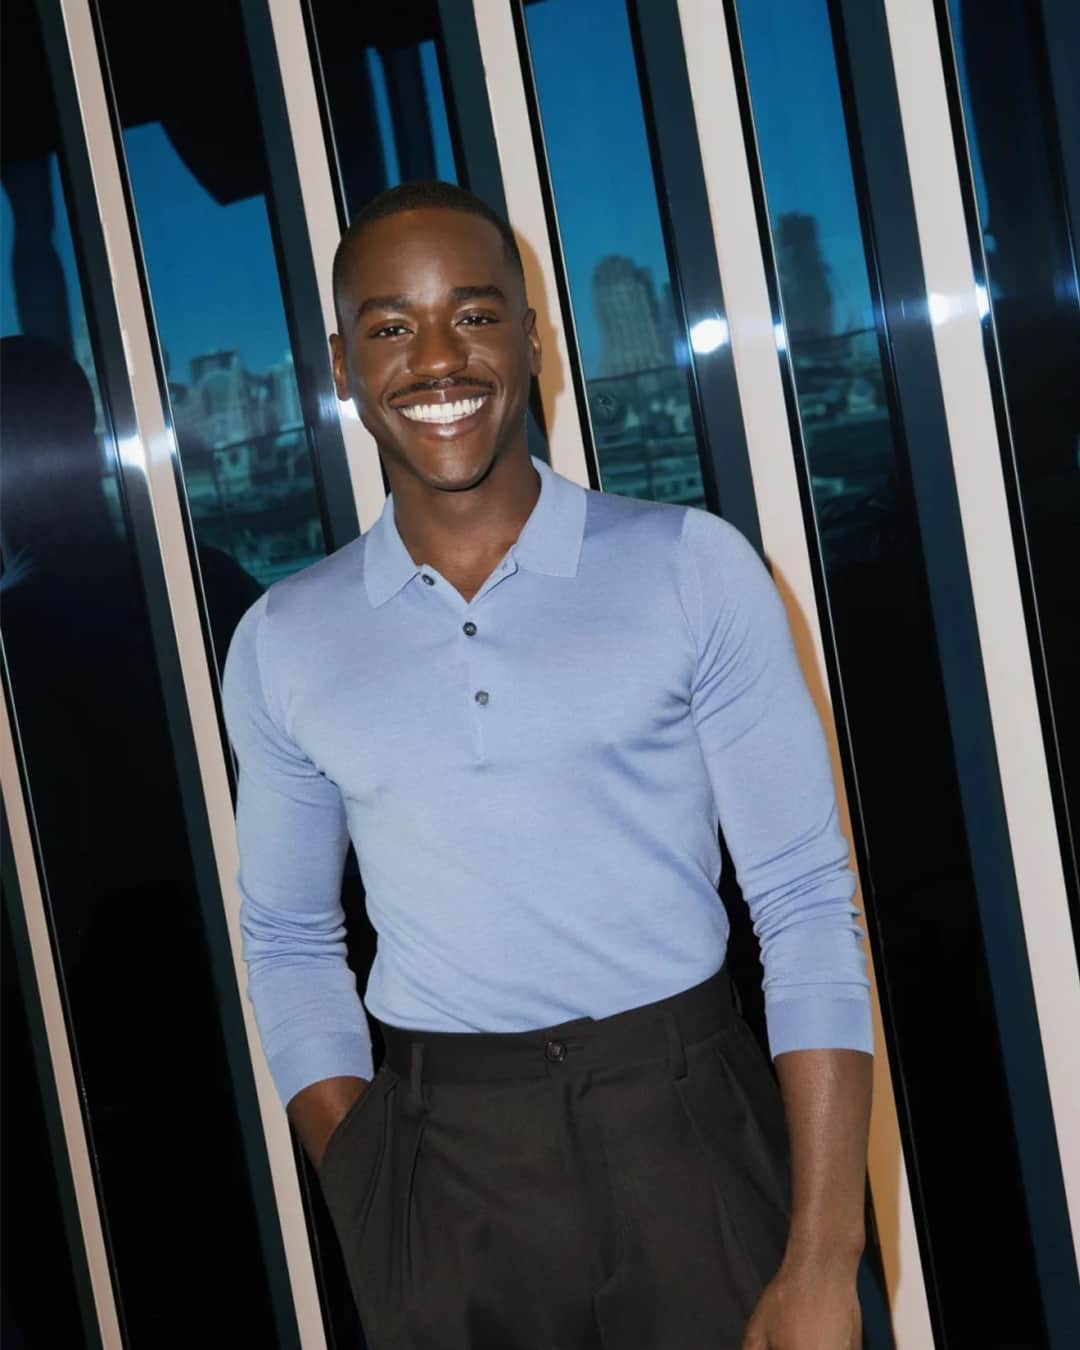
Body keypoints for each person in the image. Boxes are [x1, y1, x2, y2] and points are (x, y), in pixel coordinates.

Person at [223, 181, 873, 1349]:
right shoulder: (284, 639)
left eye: (474, 315)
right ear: (338, 364)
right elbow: (285, 939)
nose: (435, 358)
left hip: (691, 1133)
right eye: (389, 326)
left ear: (535, 339)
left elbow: (807, 903)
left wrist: (825, 1257)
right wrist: (368, 1179)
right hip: (443, 1172)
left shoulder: (691, 569)